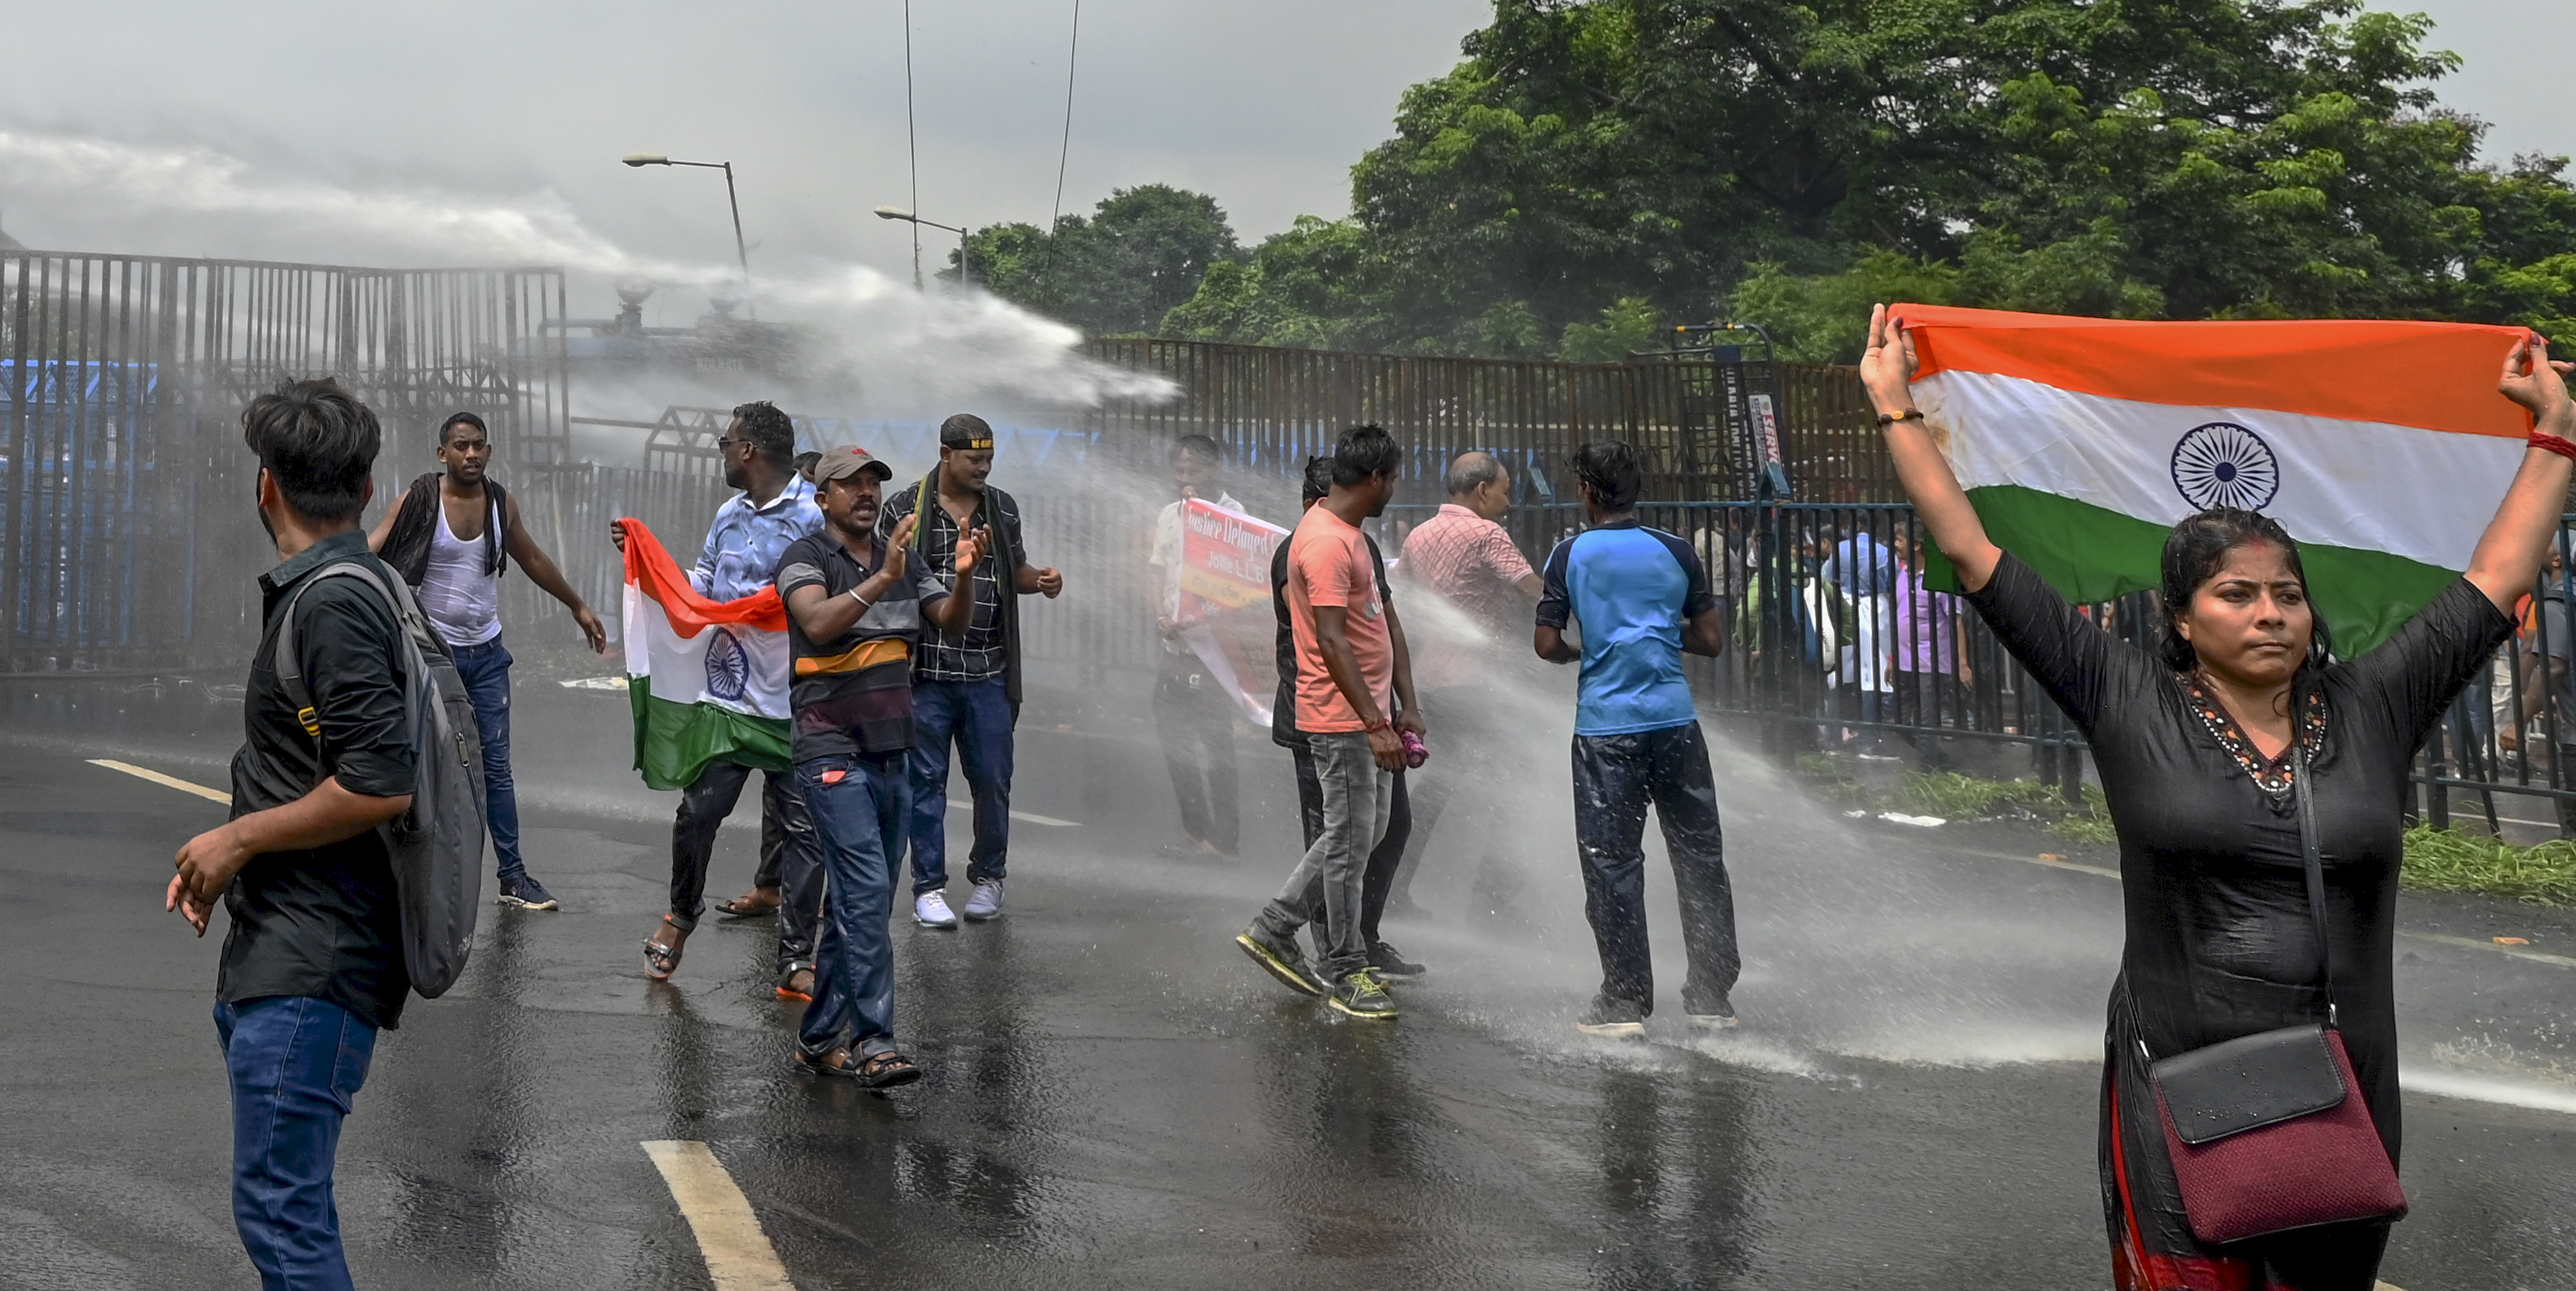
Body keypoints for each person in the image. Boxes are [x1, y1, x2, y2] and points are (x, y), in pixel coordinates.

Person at [1862, 304, 2576, 1289]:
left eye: (2286, 592)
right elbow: (1978, 558)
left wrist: (2554, 428)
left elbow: (2498, 575)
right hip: (2182, 1088)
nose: (2270, 613)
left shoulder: (2374, 702)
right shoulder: (2124, 696)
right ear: (2184, 619)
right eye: (2236, 595)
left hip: (2344, 1090)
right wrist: (1897, 408)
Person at [167, 379, 418, 1291]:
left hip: (317, 960)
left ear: (265, 486)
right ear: (366, 487)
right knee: (279, 1205)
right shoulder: (336, 591)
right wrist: (234, 854)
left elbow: (380, 780)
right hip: (286, 949)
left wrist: (235, 842)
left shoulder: (335, 603)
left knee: (283, 1210)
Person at [775, 446, 983, 1087]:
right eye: (852, 485)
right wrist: (883, 579)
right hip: (830, 750)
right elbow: (816, 619)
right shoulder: (806, 558)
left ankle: (817, 1040)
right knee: (866, 893)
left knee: (857, 905)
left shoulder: (905, 560)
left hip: (894, 749)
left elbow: (949, 621)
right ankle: (874, 1040)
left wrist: (967, 575)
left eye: (873, 484)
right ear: (823, 497)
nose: (866, 493)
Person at [614, 400, 828, 1000]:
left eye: (726, 442)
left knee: (804, 833)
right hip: (728, 701)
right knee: (698, 816)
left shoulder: (815, 515)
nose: (721, 451)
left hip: (792, 702)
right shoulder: (729, 515)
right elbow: (704, 585)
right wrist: (649, 567)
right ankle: (681, 917)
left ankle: (795, 959)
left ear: (750, 451)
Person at [1533, 440, 1738, 1038]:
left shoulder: (1568, 554)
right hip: (1676, 725)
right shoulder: (1675, 550)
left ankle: (1624, 1003)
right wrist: (1655, 637)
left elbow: (1547, 645)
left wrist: (1587, 648)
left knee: (1613, 861)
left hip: (1607, 733)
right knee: (1699, 856)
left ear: (1587, 492)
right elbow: (1710, 640)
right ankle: (1710, 998)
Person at [369, 411, 608, 913]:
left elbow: (533, 558)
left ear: (489, 451)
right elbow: (372, 552)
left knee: (496, 769)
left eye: (479, 445)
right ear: (443, 454)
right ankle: (406, 874)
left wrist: (577, 605)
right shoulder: (420, 499)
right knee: (425, 766)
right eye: (461, 446)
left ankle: (513, 877)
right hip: (435, 656)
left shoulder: (500, 504)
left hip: (488, 656)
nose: (471, 454)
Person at [1236, 426, 1421, 1019]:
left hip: (1366, 714)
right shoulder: (1322, 543)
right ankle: (1342, 967)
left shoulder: (1348, 534)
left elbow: (1376, 628)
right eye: (1392, 479)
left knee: (1360, 833)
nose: (1394, 489)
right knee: (1346, 840)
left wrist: (1401, 707)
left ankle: (1277, 928)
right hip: (1341, 718)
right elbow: (1334, 642)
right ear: (1374, 479)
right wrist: (1374, 722)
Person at [877, 413, 1064, 928]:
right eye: (973, 459)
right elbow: (886, 577)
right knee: (925, 784)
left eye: (989, 460)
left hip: (988, 673)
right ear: (945, 455)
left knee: (992, 780)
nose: (983, 468)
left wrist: (1041, 580)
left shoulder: (1001, 507)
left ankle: (989, 878)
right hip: (927, 675)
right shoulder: (904, 507)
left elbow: (1014, 570)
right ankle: (929, 888)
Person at [1392, 450, 1541, 915]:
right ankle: (1492, 896)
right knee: (1518, 785)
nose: (1507, 501)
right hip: (1481, 684)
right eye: (1505, 491)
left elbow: (1400, 594)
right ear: (1481, 491)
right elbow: (1531, 589)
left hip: (1435, 682)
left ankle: (1393, 884)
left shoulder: (1419, 536)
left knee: (1436, 790)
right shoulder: (1486, 534)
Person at [1148, 434, 1245, 859]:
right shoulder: (1169, 515)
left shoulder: (1234, 517)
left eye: (1195, 470)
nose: (1186, 478)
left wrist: (1203, 618)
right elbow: (1157, 573)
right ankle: (1195, 831)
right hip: (1173, 651)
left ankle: (1224, 841)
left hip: (1213, 657)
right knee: (1174, 741)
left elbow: (1240, 587)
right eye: (1180, 470)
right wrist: (1160, 616)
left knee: (1216, 745)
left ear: (1215, 470)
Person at [1889, 534, 1975, 767]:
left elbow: (1957, 622)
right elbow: (1899, 619)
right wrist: (1892, 659)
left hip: (1931, 662)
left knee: (1926, 724)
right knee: (1900, 723)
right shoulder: (1902, 576)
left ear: (1917, 545)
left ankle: (1928, 770)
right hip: (1906, 661)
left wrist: (1963, 664)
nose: (1895, 545)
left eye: (1900, 539)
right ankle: (1943, 763)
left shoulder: (1939, 579)